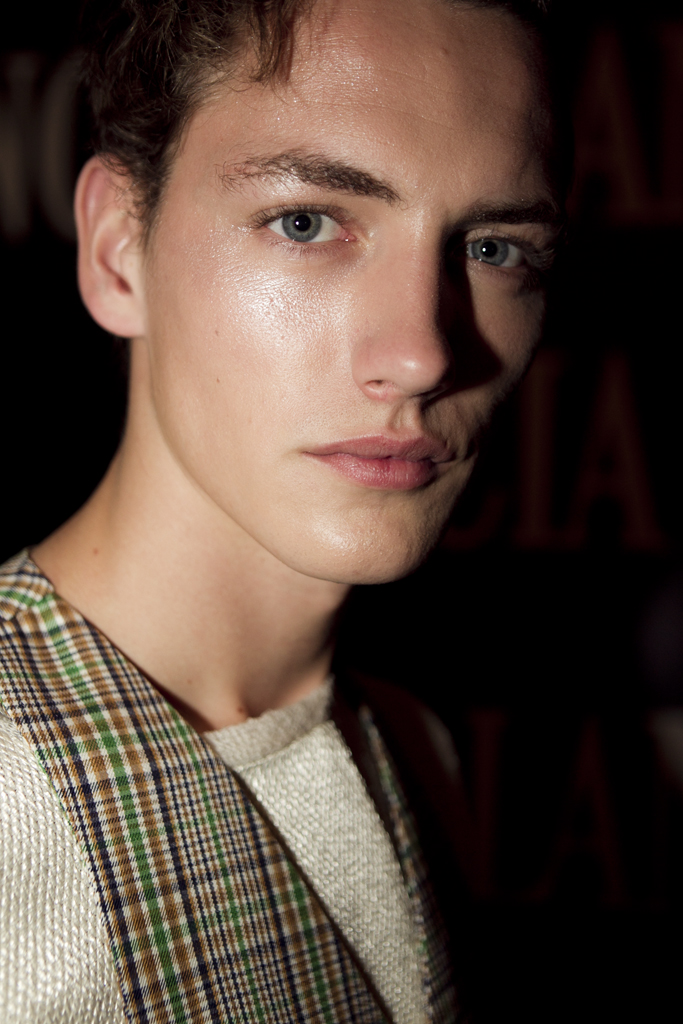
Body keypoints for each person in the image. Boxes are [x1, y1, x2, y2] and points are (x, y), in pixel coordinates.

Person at [0, 0, 565, 1020]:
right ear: (118, 249)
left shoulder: (410, 748)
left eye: (490, 248)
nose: (422, 353)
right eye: (304, 221)